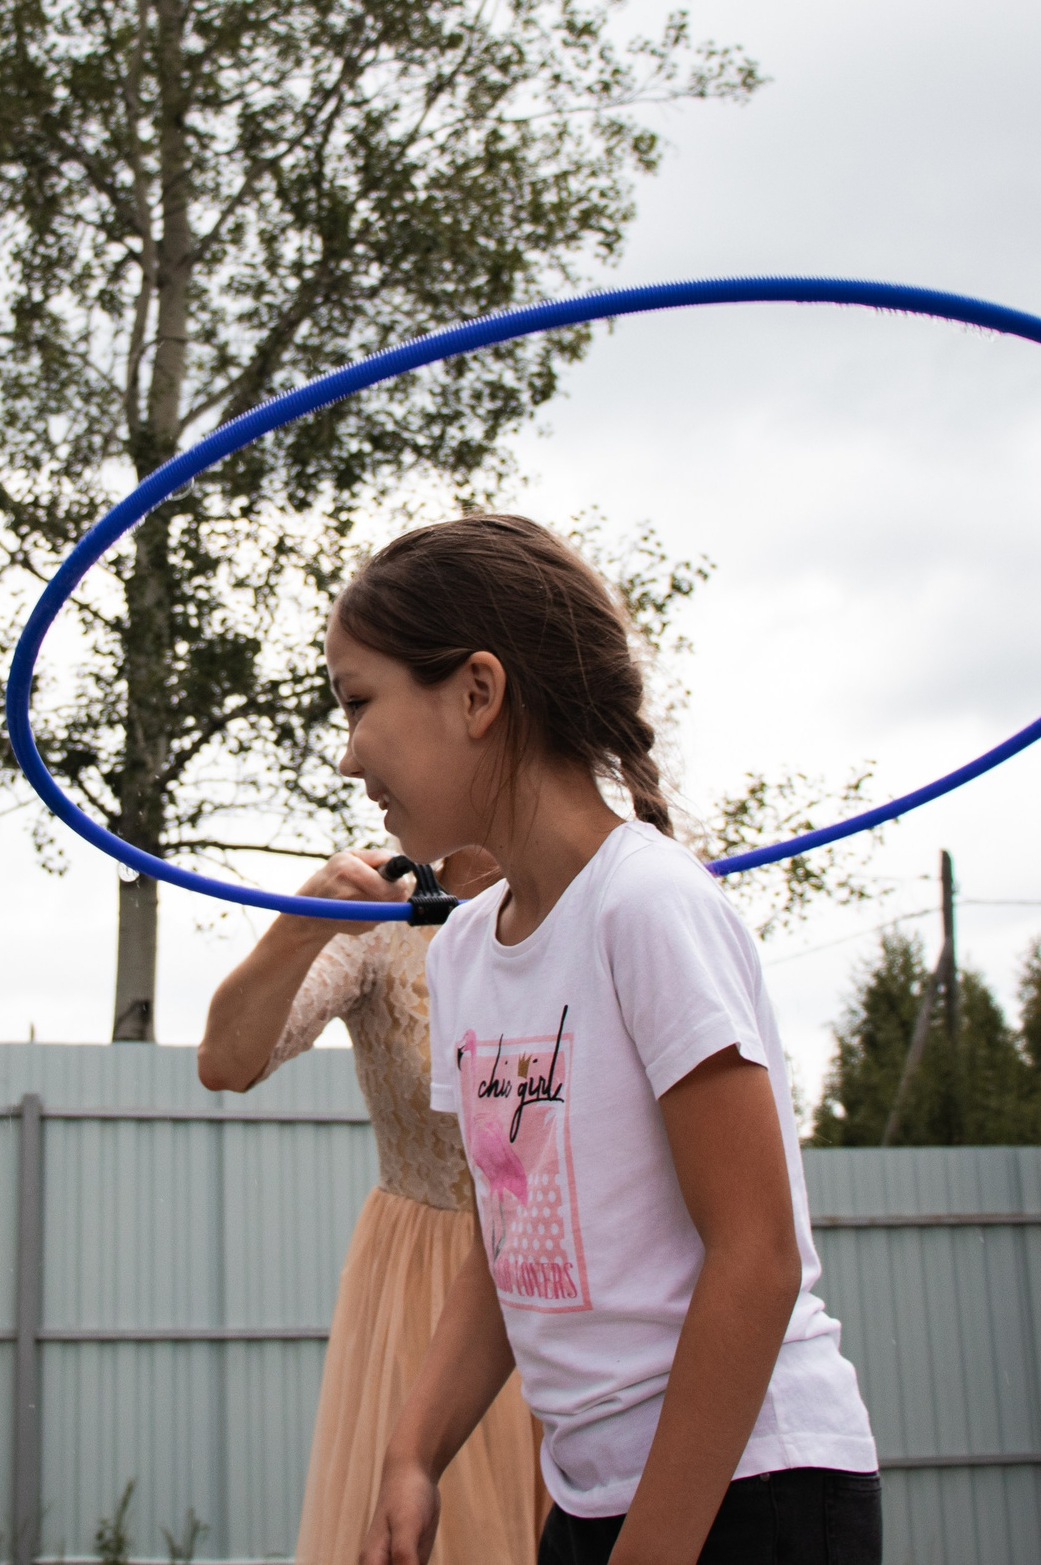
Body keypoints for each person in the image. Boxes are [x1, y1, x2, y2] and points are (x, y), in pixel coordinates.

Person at [338, 516, 879, 1565]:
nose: (349, 752)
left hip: (755, 1487)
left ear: (477, 694)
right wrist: (413, 1453)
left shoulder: (646, 907)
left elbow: (757, 1255)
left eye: (359, 702)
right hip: (592, 1497)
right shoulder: (461, 956)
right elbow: (509, 1244)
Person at [198, 845, 543, 1565]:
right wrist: (303, 919)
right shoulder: (386, 911)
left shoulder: (598, 888)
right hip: (429, 1294)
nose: (364, 781)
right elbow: (225, 1061)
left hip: (586, 1277)